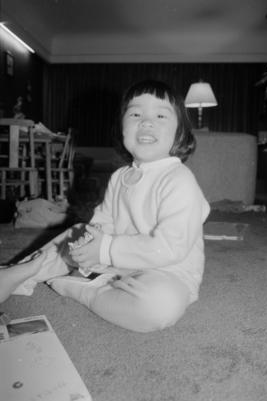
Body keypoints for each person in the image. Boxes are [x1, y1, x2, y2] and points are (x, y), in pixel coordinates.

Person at [3, 80, 210, 332]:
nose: (146, 121)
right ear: (122, 127)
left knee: (160, 307)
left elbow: (171, 247)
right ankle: (25, 271)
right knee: (79, 231)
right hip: (114, 260)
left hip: (168, 271)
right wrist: (93, 243)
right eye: (135, 114)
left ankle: (84, 290)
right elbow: (104, 221)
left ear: (179, 133)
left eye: (160, 115)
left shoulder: (180, 180)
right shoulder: (120, 176)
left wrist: (105, 249)